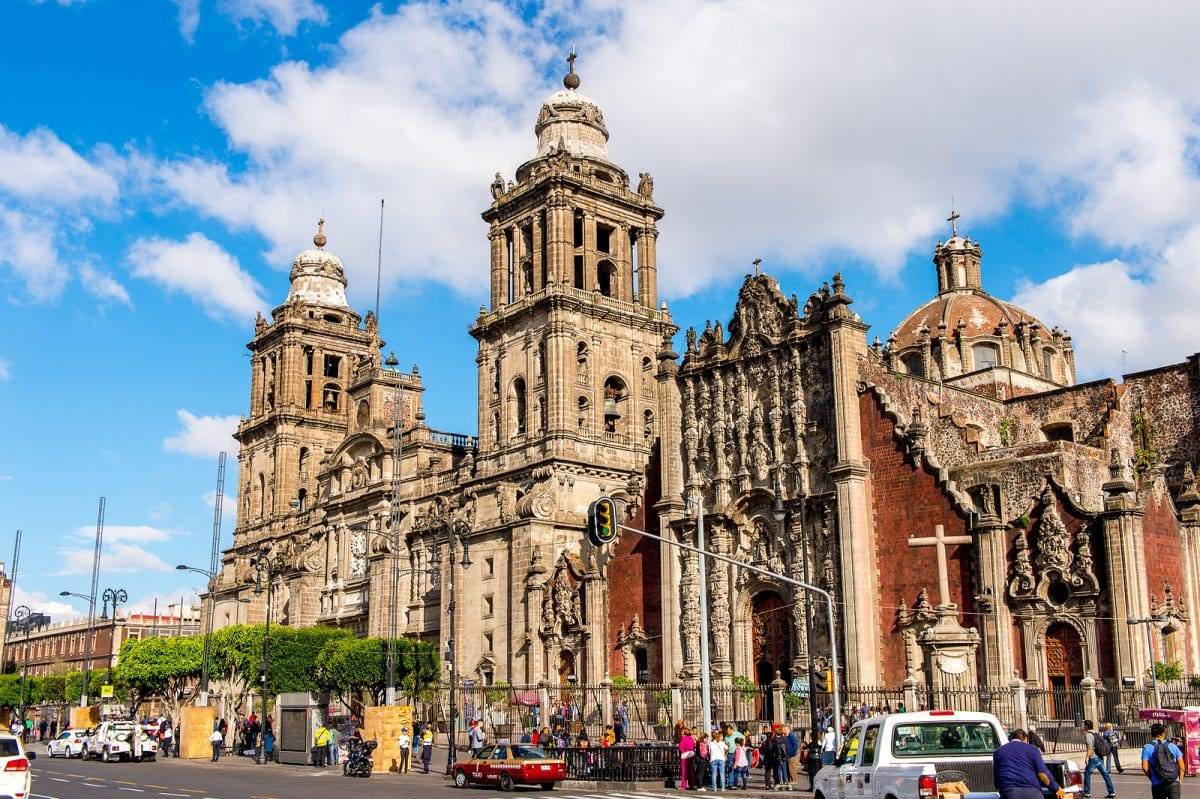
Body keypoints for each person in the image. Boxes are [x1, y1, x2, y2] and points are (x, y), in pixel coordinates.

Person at [993, 729, 1063, 799]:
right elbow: (1042, 774)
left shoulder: (998, 751)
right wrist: (1056, 789)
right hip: (1033, 793)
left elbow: (996, 777)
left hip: (1009, 792)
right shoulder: (1033, 749)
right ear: (1025, 739)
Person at [1142, 722, 1186, 799]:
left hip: (1157, 782)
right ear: (1163, 733)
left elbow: (1145, 768)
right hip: (1173, 782)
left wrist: (1152, 778)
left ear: (1152, 734)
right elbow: (1182, 766)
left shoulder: (1147, 747)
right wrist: (1179, 780)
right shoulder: (1172, 745)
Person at [1082, 719, 1116, 798]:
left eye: (1084, 725)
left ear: (1086, 726)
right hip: (1100, 757)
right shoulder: (1096, 733)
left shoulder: (1088, 735)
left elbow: (1090, 748)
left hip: (1093, 758)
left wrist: (1087, 758)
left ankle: (1087, 793)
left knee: (1087, 774)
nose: (1083, 727)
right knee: (1105, 774)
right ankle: (1111, 792)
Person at [679, 726, 696, 790]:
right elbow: (694, 745)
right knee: (691, 770)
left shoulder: (683, 738)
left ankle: (684, 785)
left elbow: (680, 747)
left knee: (684, 771)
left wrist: (683, 749)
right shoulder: (691, 738)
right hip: (691, 754)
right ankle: (692, 784)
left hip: (685, 755)